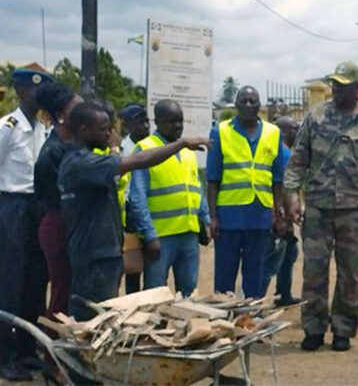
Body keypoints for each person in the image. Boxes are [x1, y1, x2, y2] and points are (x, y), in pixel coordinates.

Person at [58, 101, 210, 321]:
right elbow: (136, 163)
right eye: (104, 129)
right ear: (83, 129)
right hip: (93, 256)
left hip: (105, 252)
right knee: (91, 317)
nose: (111, 133)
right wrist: (182, 144)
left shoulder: (88, 159)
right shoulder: (81, 163)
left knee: (104, 314)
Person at [284, 61, 358, 352]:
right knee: (314, 272)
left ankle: (343, 329)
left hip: (356, 210)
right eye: (334, 84)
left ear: (357, 88)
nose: (336, 89)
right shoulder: (315, 117)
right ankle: (314, 328)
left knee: (350, 273)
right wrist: (293, 198)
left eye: (343, 85)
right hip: (317, 207)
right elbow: (297, 161)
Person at [206, 86, 286, 299]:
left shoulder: (273, 132)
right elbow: (212, 180)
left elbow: (277, 180)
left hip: (260, 217)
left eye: (253, 101)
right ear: (236, 105)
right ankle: (223, 322)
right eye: (244, 101)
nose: (248, 105)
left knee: (255, 276)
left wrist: (277, 213)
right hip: (229, 218)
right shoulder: (220, 132)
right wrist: (213, 217)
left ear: (260, 106)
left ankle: (251, 321)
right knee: (225, 277)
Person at [0, 66, 53, 382]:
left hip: (38, 207)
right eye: (35, 91)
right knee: (9, 281)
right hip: (12, 206)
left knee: (36, 280)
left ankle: (26, 350)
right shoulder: (8, 127)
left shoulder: (44, 128)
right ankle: (4, 355)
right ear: (21, 91)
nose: (40, 97)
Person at [129, 99, 210, 297]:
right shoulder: (146, 149)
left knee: (189, 294)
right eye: (171, 122)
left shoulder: (187, 150)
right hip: (161, 237)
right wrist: (149, 235)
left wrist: (205, 220)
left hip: (188, 234)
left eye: (180, 121)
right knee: (156, 296)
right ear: (157, 122)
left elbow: (196, 187)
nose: (178, 126)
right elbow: (137, 197)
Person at [34, 83, 83, 326]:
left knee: (72, 287)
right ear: (62, 116)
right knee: (62, 289)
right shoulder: (51, 153)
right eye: (78, 109)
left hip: (69, 224)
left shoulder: (71, 147)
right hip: (58, 226)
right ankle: (53, 349)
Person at [260, 116, 301, 306]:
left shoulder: (282, 152)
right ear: (284, 131)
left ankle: (284, 294)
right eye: (295, 127)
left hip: (280, 215)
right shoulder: (284, 154)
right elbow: (285, 188)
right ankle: (256, 302)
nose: (298, 131)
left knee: (289, 255)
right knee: (270, 263)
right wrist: (285, 220)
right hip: (281, 218)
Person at [118, 103, 150, 294]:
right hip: (130, 213)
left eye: (146, 121)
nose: (144, 126)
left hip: (152, 208)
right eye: (138, 123)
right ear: (128, 125)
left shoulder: (154, 144)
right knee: (133, 265)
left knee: (153, 262)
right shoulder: (123, 148)